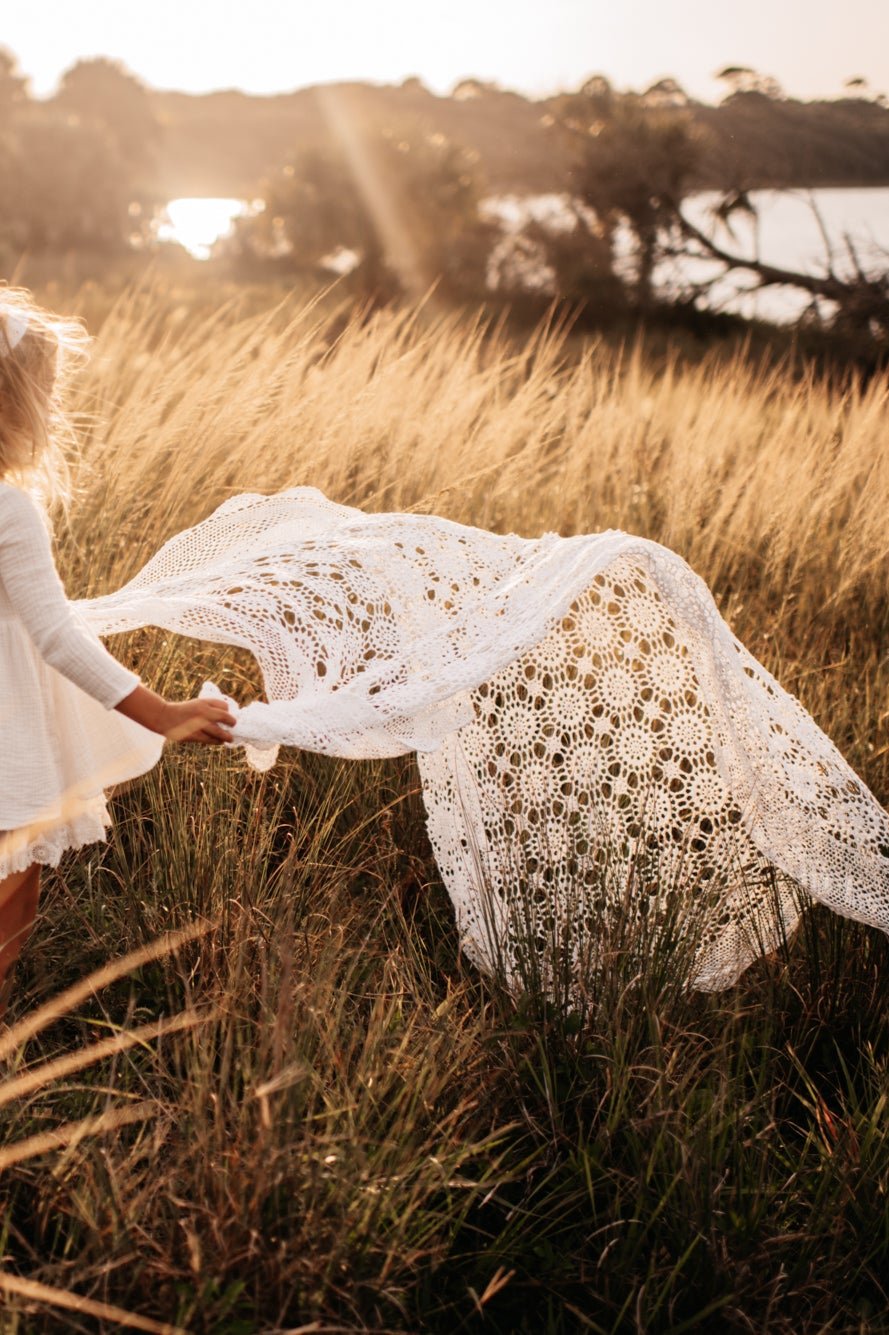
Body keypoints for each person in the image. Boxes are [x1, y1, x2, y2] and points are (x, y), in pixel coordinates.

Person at [0, 290, 235, 1012]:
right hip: (5, 730)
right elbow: (57, 636)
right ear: (20, 404)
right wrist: (160, 713)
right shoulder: (10, 507)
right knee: (12, 889)